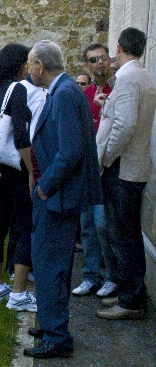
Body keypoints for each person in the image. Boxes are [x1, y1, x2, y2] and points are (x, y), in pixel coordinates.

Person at [24, 40, 102, 359]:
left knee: (51, 264)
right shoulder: (64, 90)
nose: (28, 70)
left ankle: (57, 336)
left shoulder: (66, 93)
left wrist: (45, 187)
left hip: (57, 196)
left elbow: (70, 152)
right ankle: (50, 322)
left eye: (31, 64)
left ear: (41, 66)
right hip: (56, 194)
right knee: (48, 263)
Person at [96, 27, 156, 320]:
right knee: (122, 232)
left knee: (123, 234)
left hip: (123, 166)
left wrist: (105, 158)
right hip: (130, 165)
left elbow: (124, 125)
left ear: (118, 47)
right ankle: (128, 292)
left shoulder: (129, 78)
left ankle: (131, 300)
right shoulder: (139, 75)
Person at [0, 44, 36, 313]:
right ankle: (18, 292)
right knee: (23, 225)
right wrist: (32, 171)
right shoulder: (18, 89)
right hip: (15, 168)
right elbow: (20, 135)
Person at [72, 43, 117, 298]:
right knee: (87, 224)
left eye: (102, 58)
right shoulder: (85, 95)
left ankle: (111, 276)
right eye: (93, 60)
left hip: (107, 169)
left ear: (109, 60)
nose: (99, 63)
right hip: (86, 170)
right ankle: (90, 275)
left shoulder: (117, 90)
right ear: (87, 65)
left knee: (103, 225)